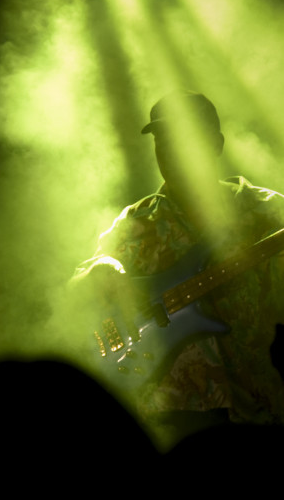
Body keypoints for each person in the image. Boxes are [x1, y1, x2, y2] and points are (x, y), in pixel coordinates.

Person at [74, 91, 284, 441]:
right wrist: (100, 270)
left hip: (254, 406)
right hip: (167, 418)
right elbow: (76, 291)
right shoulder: (134, 224)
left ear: (215, 144)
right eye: (162, 140)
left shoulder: (265, 213)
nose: (170, 150)